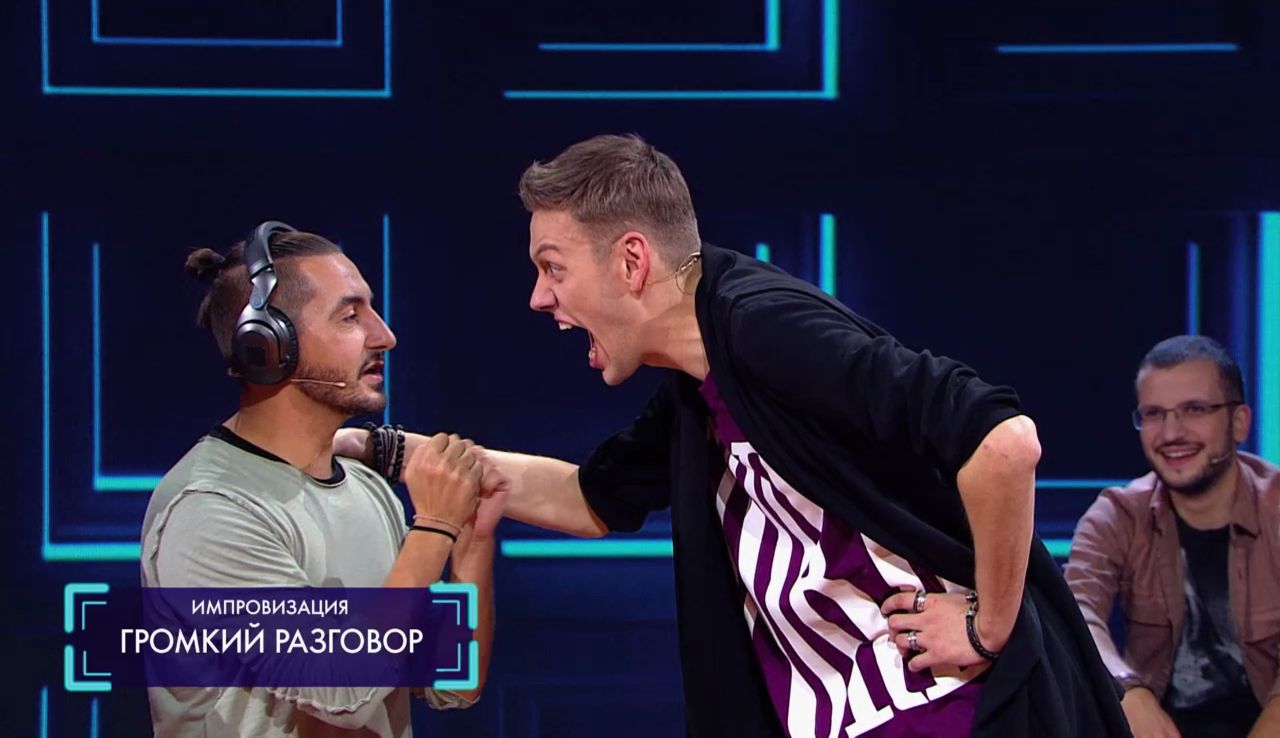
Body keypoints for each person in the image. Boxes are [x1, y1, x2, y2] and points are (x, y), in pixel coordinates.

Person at [476, 134, 1127, 737]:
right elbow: (587, 497)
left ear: (631, 261)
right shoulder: (695, 382)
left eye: (553, 268)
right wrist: (416, 458)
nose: (539, 297)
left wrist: (989, 627)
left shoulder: (764, 328)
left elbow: (1004, 443)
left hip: (942, 710)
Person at [141, 222, 500, 737]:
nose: (385, 336)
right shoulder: (211, 509)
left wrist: (471, 538)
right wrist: (435, 526)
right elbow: (342, 690)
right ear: (268, 345)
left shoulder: (367, 489)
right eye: (351, 316)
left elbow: (450, 681)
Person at [1065, 335, 1280, 738]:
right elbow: (1074, 614)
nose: (1171, 433)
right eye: (1154, 414)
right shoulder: (1117, 515)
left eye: (1194, 409)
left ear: (1239, 422)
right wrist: (1126, 689)